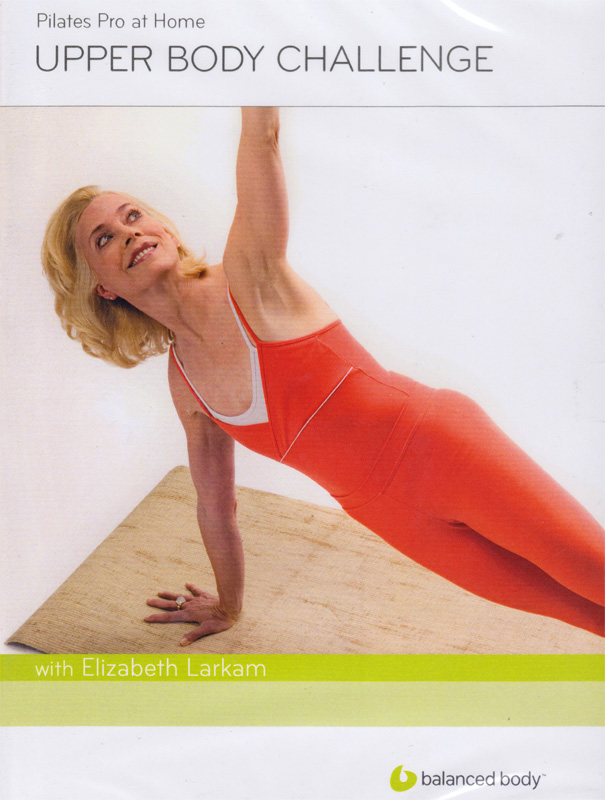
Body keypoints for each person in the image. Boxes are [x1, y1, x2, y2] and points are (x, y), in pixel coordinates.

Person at [42, 107, 604, 646]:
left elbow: (261, 138)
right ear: (102, 287)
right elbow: (215, 505)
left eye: (133, 216)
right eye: (104, 238)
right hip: (387, 515)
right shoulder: (184, 384)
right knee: (580, 612)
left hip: (442, 448)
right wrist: (229, 605)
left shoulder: (249, 274)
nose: (130, 233)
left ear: (163, 227)